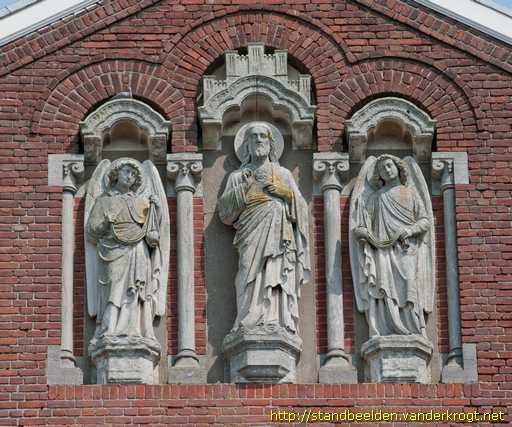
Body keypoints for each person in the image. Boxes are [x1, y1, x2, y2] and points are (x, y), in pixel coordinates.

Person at [218, 122, 310, 334]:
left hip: (279, 234)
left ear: (271, 143)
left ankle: (276, 319)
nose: (258, 140)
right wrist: (243, 187)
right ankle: (248, 316)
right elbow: (225, 214)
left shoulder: (283, 174)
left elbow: (302, 209)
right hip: (250, 231)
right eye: (253, 136)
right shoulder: (237, 177)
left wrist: (284, 193)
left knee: (275, 272)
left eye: (262, 136)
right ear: (247, 145)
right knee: (246, 271)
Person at [352, 154, 431, 338]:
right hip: (382, 251)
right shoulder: (376, 198)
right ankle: (387, 326)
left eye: (389, 166)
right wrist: (361, 233)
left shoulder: (410, 193)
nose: (386, 170)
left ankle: (414, 328)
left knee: (409, 284)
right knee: (385, 287)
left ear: (397, 167)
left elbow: (425, 221)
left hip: (406, 248)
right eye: (382, 169)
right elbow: (365, 225)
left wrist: (410, 231)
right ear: (378, 175)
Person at [87, 159, 161, 341]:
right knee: (113, 288)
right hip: (112, 250)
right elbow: (92, 231)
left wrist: (156, 210)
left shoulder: (141, 202)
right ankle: (109, 330)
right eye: (126, 171)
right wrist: (106, 223)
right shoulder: (104, 201)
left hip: (137, 249)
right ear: (115, 174)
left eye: (134, 174)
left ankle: (135, 330)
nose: (130, 176)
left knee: (136, 289)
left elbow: (152, 231)